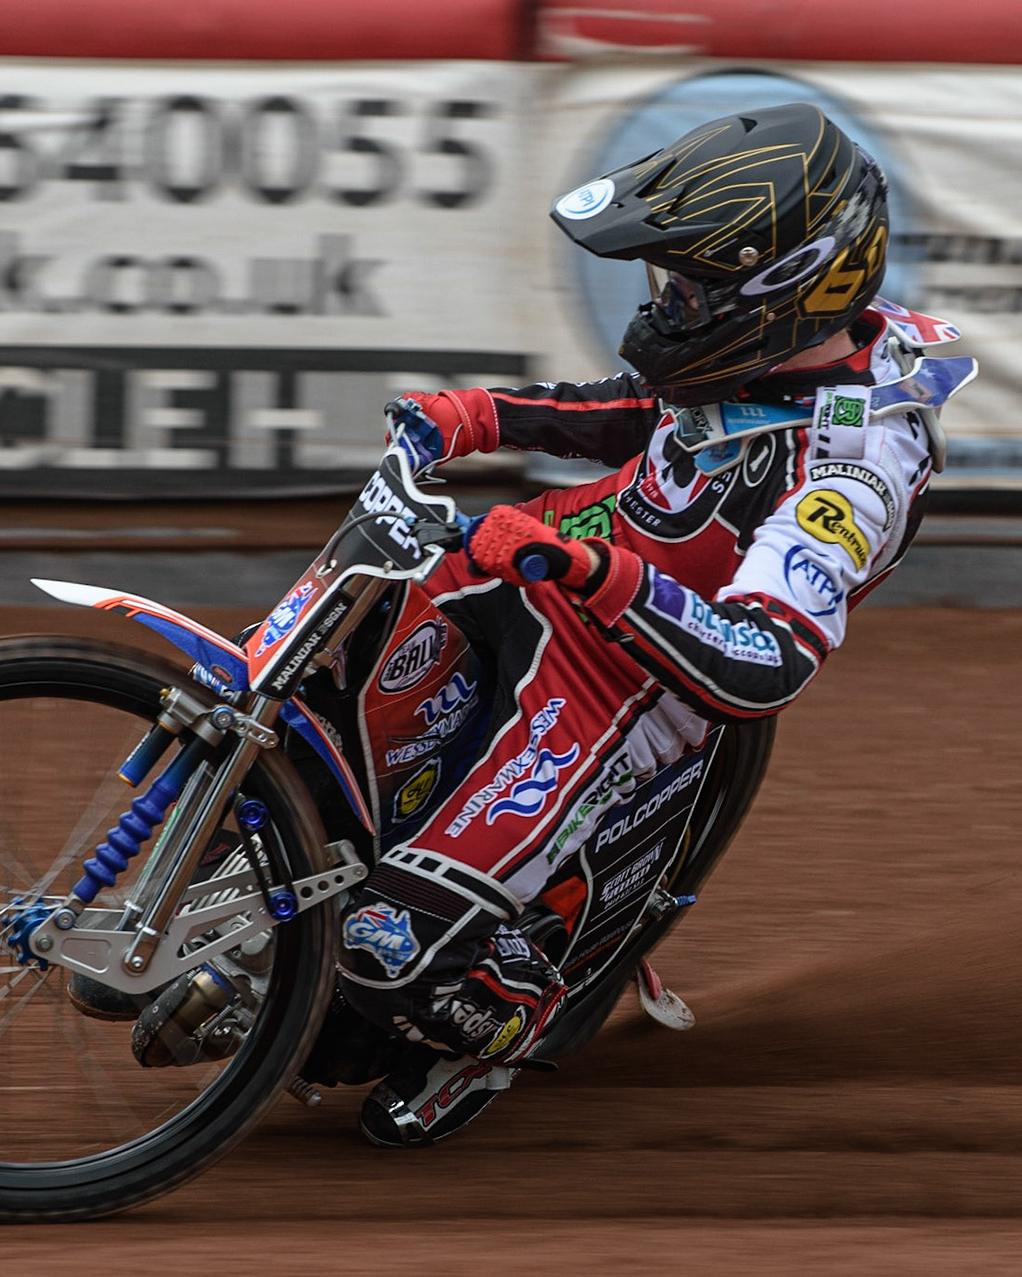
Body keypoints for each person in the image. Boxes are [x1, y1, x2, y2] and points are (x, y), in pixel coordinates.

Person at [333, 102, 974, 1148]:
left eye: (691, 289)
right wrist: (475, 415)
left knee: (383, 946)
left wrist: (589, 569)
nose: (670, 307)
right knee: (325, 679)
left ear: (789, 287)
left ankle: (515, 1006)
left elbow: (765, 663)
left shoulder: (854, 466)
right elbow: (647, 414)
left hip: (625, 683)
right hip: (545, 562)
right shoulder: (770, 358)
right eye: (668, 283)